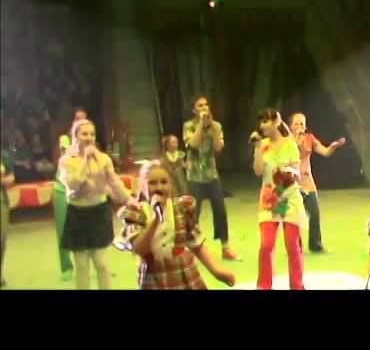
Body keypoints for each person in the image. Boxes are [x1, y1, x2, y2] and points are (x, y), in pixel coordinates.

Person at [117, 160, 235, 289]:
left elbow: (196, 244)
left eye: (164, 182)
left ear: (171, 184)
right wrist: (156, 219)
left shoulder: (181, 208)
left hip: (184, 274)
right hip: (154, 278)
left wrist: (216, 271)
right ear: (142, 186)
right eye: (152, 183)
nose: (159, 187)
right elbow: (139, 250)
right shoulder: (136, 213)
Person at [58, 119, 138, 290]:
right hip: (77, 213)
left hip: (99, 212)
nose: (89, 137)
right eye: (84, 134)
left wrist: (128, 198)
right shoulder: (66, 161)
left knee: (102, 263)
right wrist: (85, 161)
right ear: (75, 136)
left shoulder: (104, 159)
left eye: (92, 134)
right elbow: (73, 184)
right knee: (81, 265)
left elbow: (114, 181)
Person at [251, 108, 306, 290]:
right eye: (261, 122)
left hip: (289, 198)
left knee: (292, 246)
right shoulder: (263, 145)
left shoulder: (290, 144)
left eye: (266, 121)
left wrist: (287, 174)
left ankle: (297, 286)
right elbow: (258, 171)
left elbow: (298, 174)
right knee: (266, 245)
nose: (262, 125)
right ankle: (264, 286)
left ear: (276, 122)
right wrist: (257, 149)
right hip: (269, 199)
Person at [182, 94, 239, 261]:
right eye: (199, 106)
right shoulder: (189, 126)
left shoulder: (217, 126)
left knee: (220, 211)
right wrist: (201, 124)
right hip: (194, 176)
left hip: (212, 175)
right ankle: (191, 249)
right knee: (193, 214)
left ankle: (225, 248)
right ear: (193, 110)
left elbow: (218, 148)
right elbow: (193, 144)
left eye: (205, 105)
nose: (204, 108)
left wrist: (212, 127)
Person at [289, 112, 346, 253]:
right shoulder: (286, 141)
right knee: (294, 217)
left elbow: (325, 152)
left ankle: (316, 245)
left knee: (314, 213)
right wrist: (296, 141)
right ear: (290, 126)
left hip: (307, 182)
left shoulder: (309, 138)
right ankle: (295, 246)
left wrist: (333, 146)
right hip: (291, 182)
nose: (299, 126)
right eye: (296, 123)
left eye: (302, 123)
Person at [53, 107, 87, 282]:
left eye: (84, 119)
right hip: (62, 190)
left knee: (87, 228)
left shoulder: (90, 142)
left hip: (82, 191)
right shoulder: (64, 139)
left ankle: (93, 264)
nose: (81, 121)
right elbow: (67, 156)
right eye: (77, 118)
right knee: (63, 230)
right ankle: (66, 267)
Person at [1, 148, 15, 288]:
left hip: (2, 204)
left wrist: (4, 180)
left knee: (1, 241)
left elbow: (11, 177)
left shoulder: (3, 155)